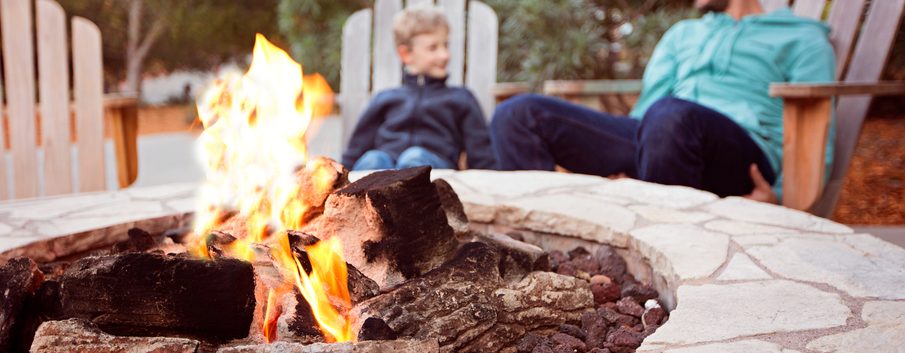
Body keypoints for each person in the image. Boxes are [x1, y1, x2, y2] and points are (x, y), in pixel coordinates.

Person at [489, 0, 835, 204]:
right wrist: (631, 153)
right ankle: (549, 250)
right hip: (661, 137)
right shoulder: (682, 34)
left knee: (671, 117)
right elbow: (648, 109)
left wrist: (780, 197)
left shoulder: (802, 37)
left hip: (742, 158)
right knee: (516, 114)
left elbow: (819, 133)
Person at [341, 7, 497, 171]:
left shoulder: (461, 98)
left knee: (414, 158)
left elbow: (482, 156)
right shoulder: (385, 98)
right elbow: (355, 151)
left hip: (435, 172)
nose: (444, 55)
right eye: (433, 48)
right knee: (373, 159)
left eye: (446, 45)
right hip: (385, 173)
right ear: (406, 54)